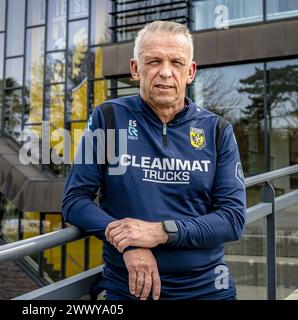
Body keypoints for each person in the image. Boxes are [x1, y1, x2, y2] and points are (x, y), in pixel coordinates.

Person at [62, 20, 246, 300]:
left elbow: (232, 219)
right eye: (153, 61)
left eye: (176, 62)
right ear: (135, 68)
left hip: (207, 289)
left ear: (190, 72)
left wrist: (162, 232)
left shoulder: (217, 129)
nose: (165, 73)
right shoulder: (108, 118)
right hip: (130, 288)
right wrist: (128, 243)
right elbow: (75, 200)